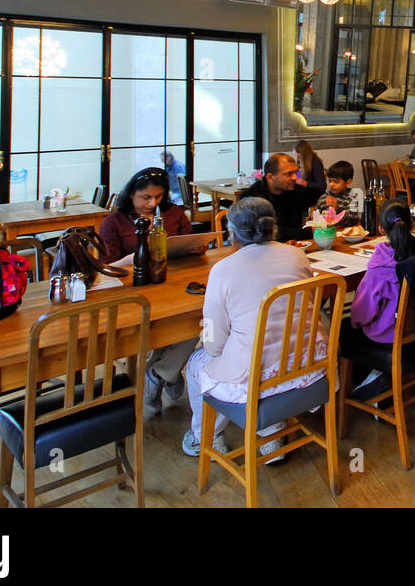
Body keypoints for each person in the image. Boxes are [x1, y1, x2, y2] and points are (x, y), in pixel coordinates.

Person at [181, 197, 326, 460]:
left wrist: (213, 346)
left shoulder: (223, 269)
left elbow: (213, 341)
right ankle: (272, 438)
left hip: (257, 376)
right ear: (273, 226)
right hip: (305, 364)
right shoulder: (297, 256)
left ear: (232, 232)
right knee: (271, 346)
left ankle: (207, 438)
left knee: (197, 362)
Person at [98, 166, 199, 415]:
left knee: (198, 319)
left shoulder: (172, 213)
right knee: (184, 325)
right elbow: (107, 264)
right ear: (131, 194)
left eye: (158, 197)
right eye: (146, 197)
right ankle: (169, 373)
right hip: (133, 291)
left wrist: (194, 246)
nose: (152, 203)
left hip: (175, 282)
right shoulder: (115, 222)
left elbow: (190, 238)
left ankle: (159, 372)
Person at [341, 199, 415, 401]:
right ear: (412, 224)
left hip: (390, 338)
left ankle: (369, 386)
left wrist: (355, 322)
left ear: (381, 229)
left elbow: (362, 314)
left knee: (345, 328)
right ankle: (377, 379)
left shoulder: (380, 265)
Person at [238, 152, 312, 242]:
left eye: (296, 172)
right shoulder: (252, 198)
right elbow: (267, 233)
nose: (295, 177)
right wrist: (307, 232)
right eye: (289, 174)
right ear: (270, 177)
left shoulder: (296, 190)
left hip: (294, 246)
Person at [313, 160, 364, 230]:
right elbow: (316, 216)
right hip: (326, 233)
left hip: (345, 233)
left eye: (336, 182)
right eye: (330, 181)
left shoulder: (352, 198)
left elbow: (352, 220)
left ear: (348, 182)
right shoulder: (324, 198)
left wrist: (336, 208)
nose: (331, 184)